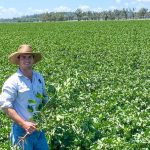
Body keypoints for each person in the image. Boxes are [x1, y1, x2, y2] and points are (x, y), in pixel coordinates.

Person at [0, 44, 49, 149]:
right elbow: (5, 106)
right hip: (21, 131)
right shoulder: (13, 81)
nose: (27, 59)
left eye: (29, 57)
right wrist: (24, 124)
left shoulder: (39, 77)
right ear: (18, 60)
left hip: (39, 129)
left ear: (33, 59)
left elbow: (45, 98)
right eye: (23, 57)